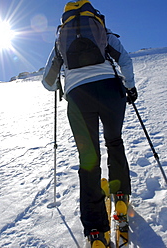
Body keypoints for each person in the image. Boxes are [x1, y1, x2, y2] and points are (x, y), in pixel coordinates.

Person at [41, 0, 137, 246]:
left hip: (79, 97)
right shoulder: (103, 32)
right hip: (110, 90)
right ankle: (120, 195)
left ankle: (96, 231)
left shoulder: (60, 41)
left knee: (89, 158)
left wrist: (64, 81)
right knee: (114, 141)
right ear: (94, 15)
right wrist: (130, 87)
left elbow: (48, 81)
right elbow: (125, 60)